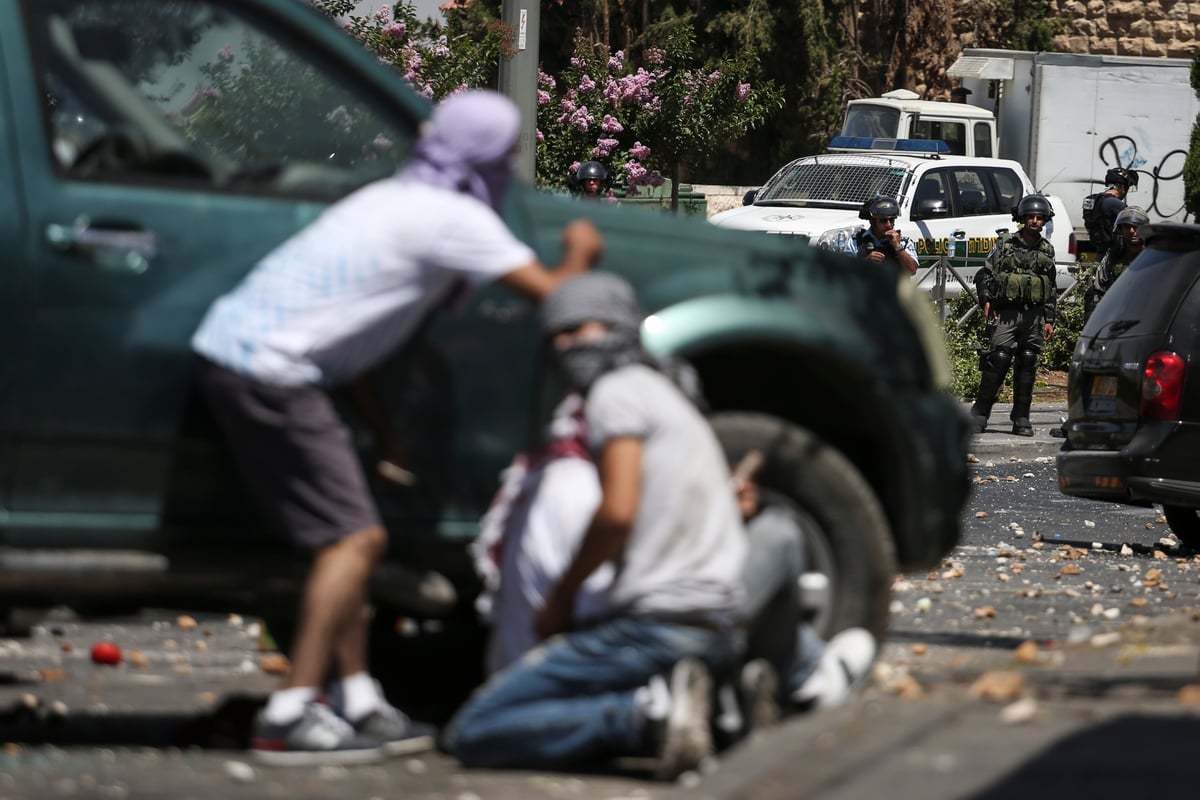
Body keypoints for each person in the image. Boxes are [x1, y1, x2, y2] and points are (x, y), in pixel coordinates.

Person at [189, 90, 603, 766]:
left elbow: (350, 336)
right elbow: (556, 297)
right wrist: (582, 247)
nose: (515, 163)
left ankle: (359, 699)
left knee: (348, 539)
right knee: (355, 539)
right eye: (509, 152)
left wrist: (385, 433)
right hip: (271, 372)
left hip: (249, 358)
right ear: (485, 157)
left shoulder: (391, 197)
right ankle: (291, 712)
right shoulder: (453, 218)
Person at [445, 273, 748, 780]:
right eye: (555, 336)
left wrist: (560, 600)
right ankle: (723, 701)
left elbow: (616, 515)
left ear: (617, 327)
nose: (566, 346)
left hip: (658, 626)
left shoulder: (615, 395)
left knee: (474, 728)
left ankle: (648, 718)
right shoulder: (667, 394)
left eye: (578, 329)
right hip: (719, 622)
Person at [968, 194, 1058, 437]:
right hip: (1007, 314)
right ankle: (979, 414)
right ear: (1022, 218)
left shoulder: (1047, 249)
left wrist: (1049, 319)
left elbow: (1050, 286)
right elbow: (984, 274)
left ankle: (1021, 417)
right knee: (998, 360)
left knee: (1028, 361)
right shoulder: (1006, 244)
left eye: (1040, 218)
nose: (1035, 221)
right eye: (1030, 217)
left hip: (1033, 316)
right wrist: (986, 298)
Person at [1084, 205, 1149, 322]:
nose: (1132, 231)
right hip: (1117, 319)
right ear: (1120, 229)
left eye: (1136, 226)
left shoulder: (1154, 255)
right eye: (1127, 227)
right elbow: (1098, 290)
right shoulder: (1113, 257)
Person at [845, 196, 919, 276]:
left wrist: (897, 247)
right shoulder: (856, 241)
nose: (889, 225)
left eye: (891, 220)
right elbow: (843, 272)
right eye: (883, 220)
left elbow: (912, 270)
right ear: (872, 221)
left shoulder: (904, 242)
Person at [1081, 166, 1138, 256]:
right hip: (1114, 252)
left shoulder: (1093, 200)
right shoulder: (1114, 203)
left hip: (1100, 249)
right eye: (1127, 188)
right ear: (1122, 187)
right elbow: (1136, 221)